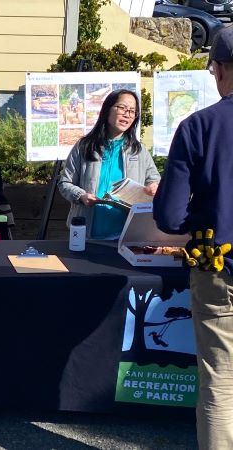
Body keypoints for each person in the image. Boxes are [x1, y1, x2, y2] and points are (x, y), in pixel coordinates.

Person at [153, 27, 233, 450]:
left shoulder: (198, 127)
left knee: (220, 385)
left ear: (218, 70)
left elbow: (169, 216)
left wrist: (203, 209)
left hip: (219, 269)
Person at [58, 89, 160, 239]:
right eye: (122, 108)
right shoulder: (85, 146)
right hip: (86, 234)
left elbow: (154, 179)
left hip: (126, 235)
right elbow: (64, 183)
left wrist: (154, 186)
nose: (127, 114)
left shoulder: (139, 150)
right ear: (107, 110)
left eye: (132, 111)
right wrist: (81, 196)